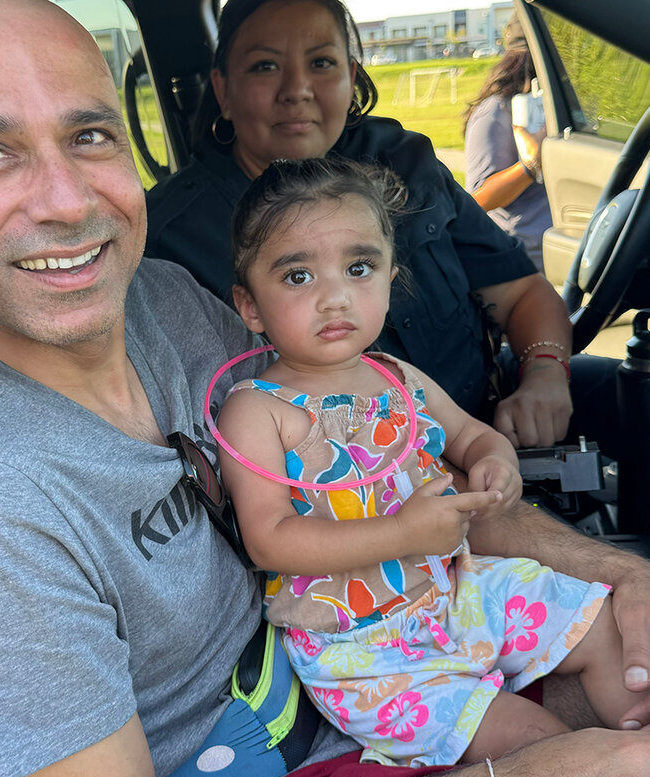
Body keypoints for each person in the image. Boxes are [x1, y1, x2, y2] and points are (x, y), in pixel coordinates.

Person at [0, 0, 650, 777]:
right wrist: (547, 776)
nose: (66, 199)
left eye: (88, 136)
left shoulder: (168, 304)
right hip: (307, 747)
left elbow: (399, 476)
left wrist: (622, 578)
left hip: (394, 653)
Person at [217, 157, 650, 768]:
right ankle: (622, 772)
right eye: (298, 277)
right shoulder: (259, 411)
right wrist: (402, 532)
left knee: (607, 628)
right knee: (540, 745)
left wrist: (496, 463)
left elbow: (471, 437)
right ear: (250, 308)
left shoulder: (397, 378)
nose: (334, 297)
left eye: (359, 269)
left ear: (389, 276)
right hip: (364, 650)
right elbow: (271, 540)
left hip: (456, 592)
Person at [145, 0, 588, 450]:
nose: (297, 89)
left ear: (351, 77)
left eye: (321, 62)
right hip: (340, 493)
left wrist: (546, 374)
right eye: (265, 66)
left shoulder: (405, 163)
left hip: (487, 436)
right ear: (223, 91)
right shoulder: (170, 237)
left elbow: (521, 292)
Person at [464, 20, 552, 273]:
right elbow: (479, 199)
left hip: (565, 250)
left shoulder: (557, 103)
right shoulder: (495, 112)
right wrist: (529, 166)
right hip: (526, 264)